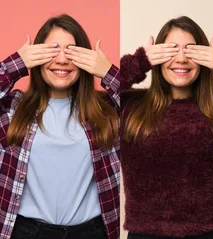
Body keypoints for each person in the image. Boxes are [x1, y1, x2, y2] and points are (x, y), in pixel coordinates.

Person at [118, 16, 213, 239]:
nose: (182, 59)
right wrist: (138, 62)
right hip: (146, 234)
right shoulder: (130, 106)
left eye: (191, 51)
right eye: (171, 50)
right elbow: (95, 98)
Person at [0, 14, 120, 239]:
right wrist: (16, 64)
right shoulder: (12, 107)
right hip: (26, 232)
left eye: (72, 52)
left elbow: (153, 112)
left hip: (91, 233)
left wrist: (107, 72)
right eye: (52, 51)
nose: (62, 60)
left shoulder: (106, 109)